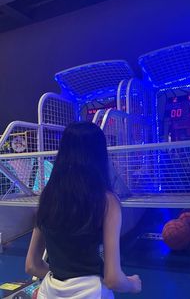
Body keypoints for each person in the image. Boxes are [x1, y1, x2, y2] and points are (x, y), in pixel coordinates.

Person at [25, 121, 142, 298]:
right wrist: (133, 284)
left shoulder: (47, 196)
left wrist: (61, 282)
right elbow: (113, 279)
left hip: (50, 290)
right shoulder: (107, 201)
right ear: (100, 155)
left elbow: (32, 266)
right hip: (91, 292)